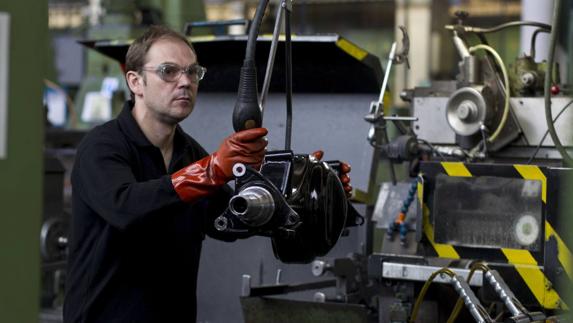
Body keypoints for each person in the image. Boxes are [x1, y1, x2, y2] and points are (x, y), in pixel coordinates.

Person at [64, 25, 350, 323]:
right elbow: (127, 208)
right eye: (168, 71)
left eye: (193, 72)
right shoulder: (101, 147)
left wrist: (305, 193)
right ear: (136, 81)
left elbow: (226, 220)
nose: (185, 82)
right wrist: (210, 171)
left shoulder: (188, 152)